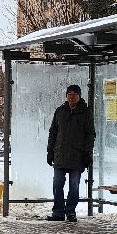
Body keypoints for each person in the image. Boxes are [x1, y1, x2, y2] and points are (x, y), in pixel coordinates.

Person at [46, 83, 95, 222]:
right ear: (66, 96)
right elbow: (53, 132)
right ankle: (58, 212)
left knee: (74, 186)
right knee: (57, 184)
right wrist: (50, 152)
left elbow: (90, 134)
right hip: (60, 154)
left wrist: (87, 154)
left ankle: (70, 212)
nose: (72, 97)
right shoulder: (60, 111)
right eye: (69, 94)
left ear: (79, 96)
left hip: (77, 156)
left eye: (74, 94)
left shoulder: (86, 112)